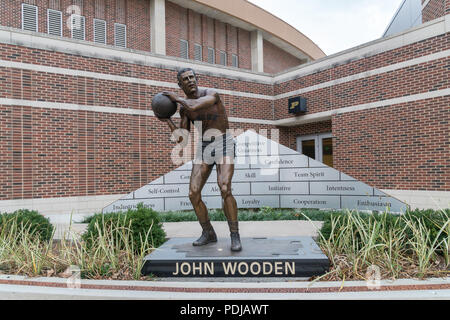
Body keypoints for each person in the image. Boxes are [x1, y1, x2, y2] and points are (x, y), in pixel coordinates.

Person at [160, 68, 242, 252]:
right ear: (180, 84)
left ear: (196, 79)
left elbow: (195, 106)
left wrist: (177, 99)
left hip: (224, 143)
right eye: (185, 79)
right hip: (205, 147)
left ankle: (234, 234)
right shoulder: (184, 110)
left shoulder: (211, 94)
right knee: (193, 193)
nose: (190, 80)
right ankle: (208, 232)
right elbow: (183, 139)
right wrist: (166, 120)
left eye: (192, 77)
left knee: (224, 187)